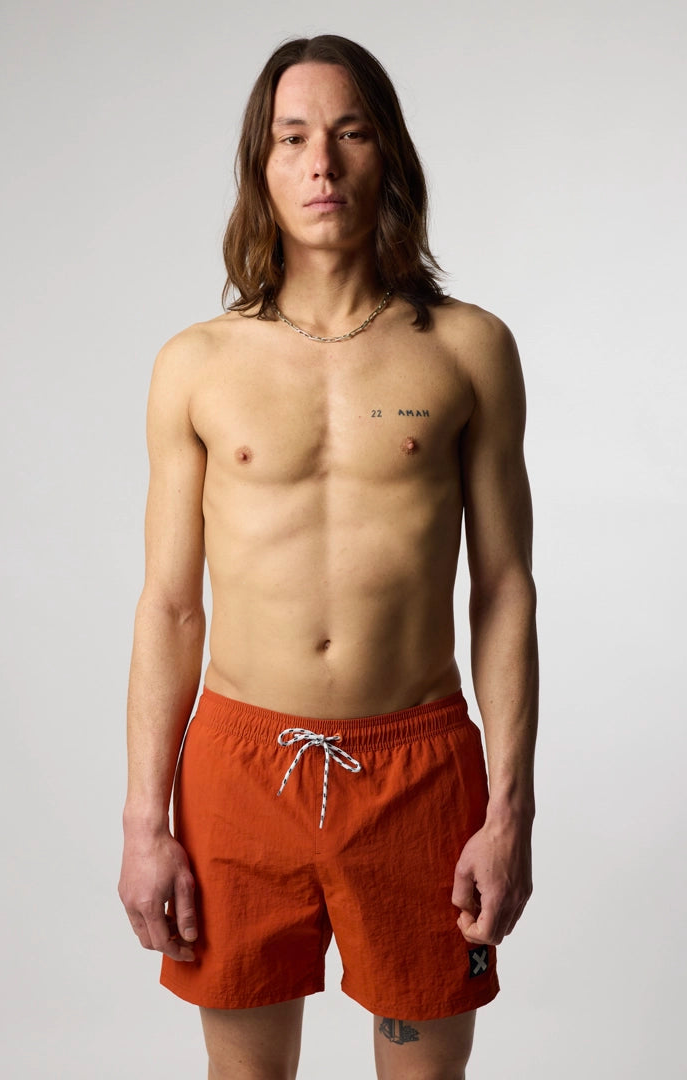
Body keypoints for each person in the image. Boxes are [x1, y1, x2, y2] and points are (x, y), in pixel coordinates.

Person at [118, 34, 538, 1080]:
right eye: (293, 138)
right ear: (260, 167)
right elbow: (170, 606)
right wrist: (143, 823)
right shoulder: (196, 365)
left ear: (386, 153)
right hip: (239, 768)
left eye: (349, 134)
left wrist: (510, 809)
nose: (322, 164)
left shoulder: (468, 349)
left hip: (419, 769)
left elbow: (503, 591)